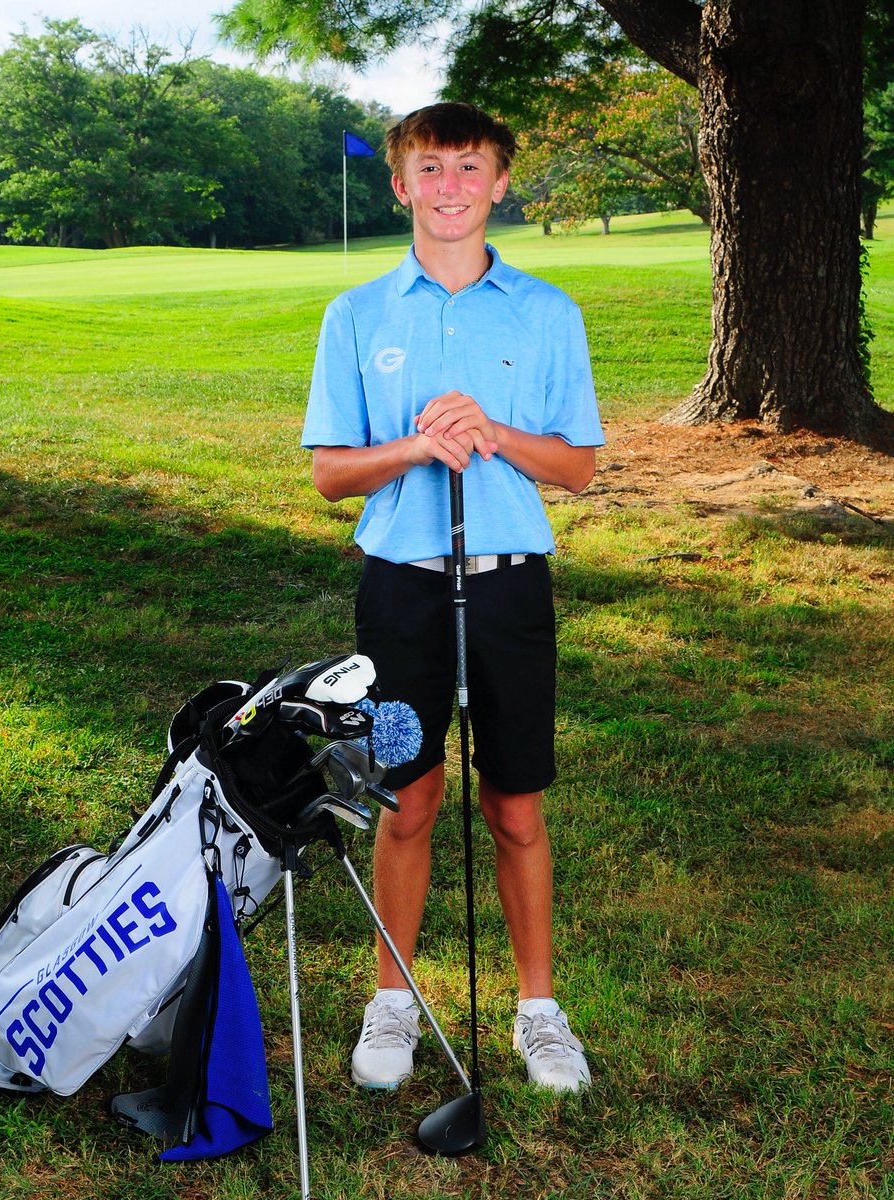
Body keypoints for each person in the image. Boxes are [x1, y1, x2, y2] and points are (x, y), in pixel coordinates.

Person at [301, 102, 604, 1094]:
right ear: (401, 186)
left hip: (509, 589)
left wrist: (494, 430)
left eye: (470, 168)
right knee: (409, 798)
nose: (451, 187)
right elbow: (333, 475)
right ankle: (392, 1005)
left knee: (515, 805)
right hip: (402, 592)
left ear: (500, 183)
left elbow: (580, 467)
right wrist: (417, 446)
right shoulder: (356, 315)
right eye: (430, 169)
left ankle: (539, 1010)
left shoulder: (548, 312)